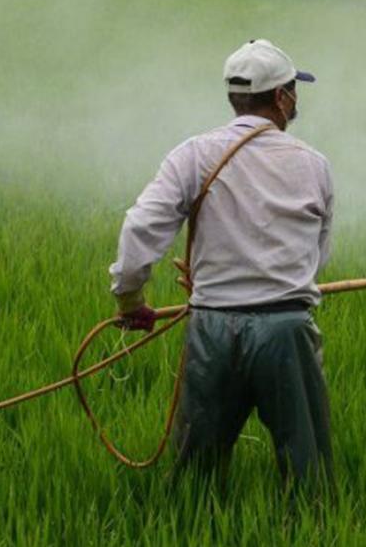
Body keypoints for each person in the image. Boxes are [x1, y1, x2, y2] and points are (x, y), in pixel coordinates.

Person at [107, 39, 335, 499]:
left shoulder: (193, 154)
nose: (295, 100)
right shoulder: (313, 165)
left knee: (197, 477)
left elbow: (141, 227)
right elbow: (316, 256)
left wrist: (131, 299)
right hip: (286, 330)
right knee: (309, 475)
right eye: (293, 90)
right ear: (280, 97)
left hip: (213, 328)